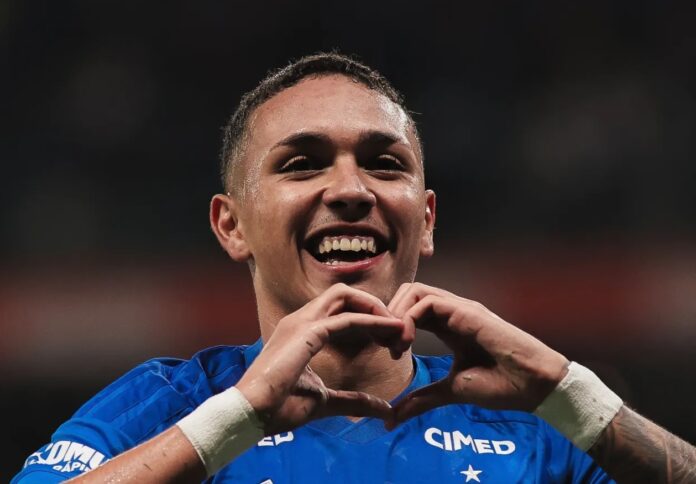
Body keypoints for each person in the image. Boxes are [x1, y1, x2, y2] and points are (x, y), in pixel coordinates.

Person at [12, 53, 695, 484]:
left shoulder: (532, 424)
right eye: (302, 164)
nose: (350, 189)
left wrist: (570, 393)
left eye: (384, 163)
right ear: (231, 226)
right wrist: (237, 418)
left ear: (427, 218)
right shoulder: (169, 406)